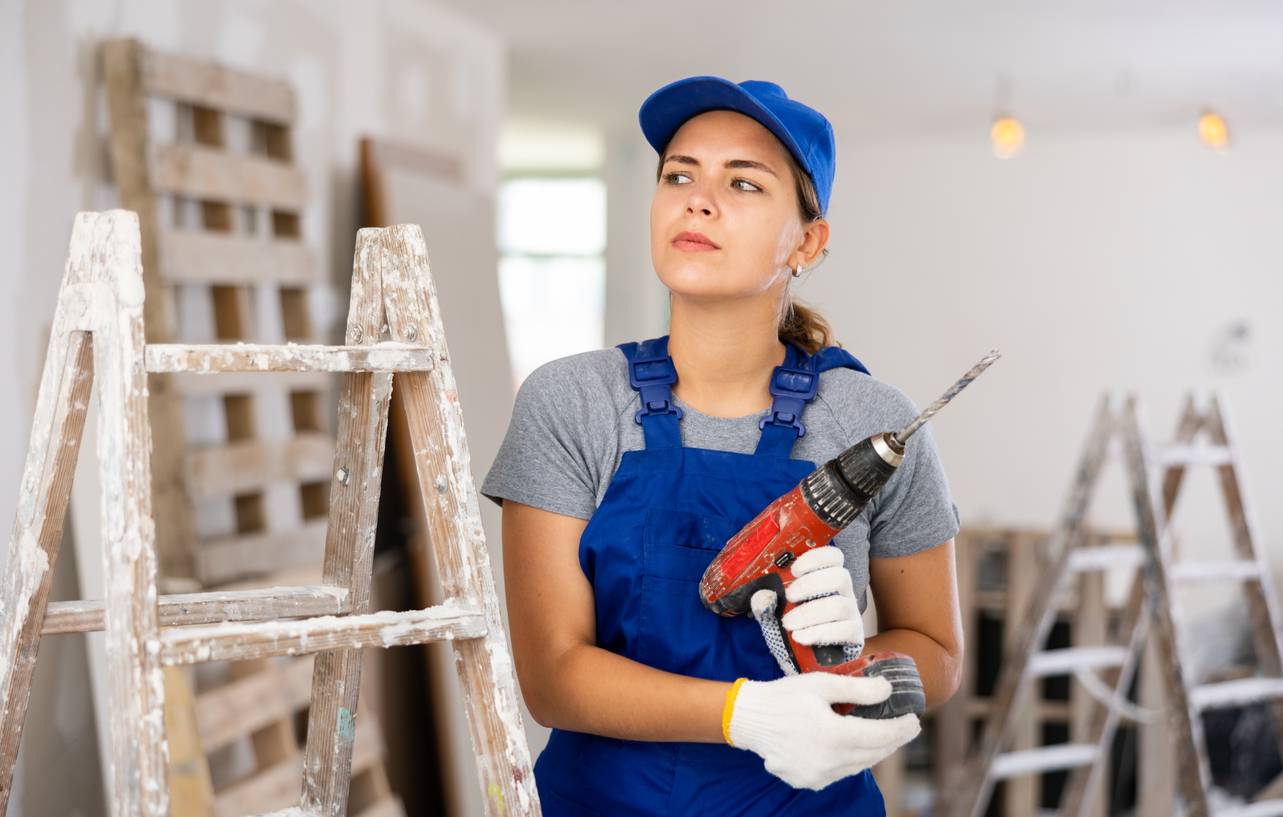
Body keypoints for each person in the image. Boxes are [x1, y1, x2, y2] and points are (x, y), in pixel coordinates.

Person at [480, 75, 963, 816]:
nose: (697, 200)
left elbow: (938, 649)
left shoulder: (871, 420)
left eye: (742, 183)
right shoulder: (571, 401)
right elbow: (551, 677)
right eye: (679, 174)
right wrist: (748, 714)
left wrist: (858, 675)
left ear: (806, 240)